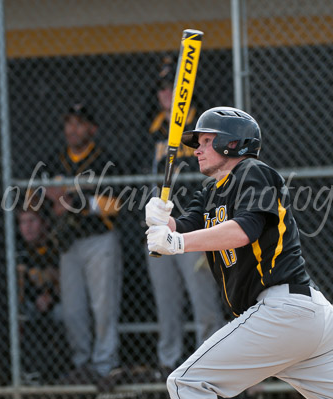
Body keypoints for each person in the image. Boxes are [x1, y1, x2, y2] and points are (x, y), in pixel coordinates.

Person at [145, 107, 333, 398]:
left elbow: (243, 231)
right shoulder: (210, 193)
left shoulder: (254, 172)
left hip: (284, 311)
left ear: (232, 142)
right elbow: (182, 228)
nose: (197, 150)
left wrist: (177, 243)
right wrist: (161, 220)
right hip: (304, 319)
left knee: (186, 382)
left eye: (206, 141)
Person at [146, 57, 224, 379]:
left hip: (194, 228)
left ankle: (212, 364)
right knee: (167, 303)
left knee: (203, 301)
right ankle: (170, 363)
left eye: (171, 88)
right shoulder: (152, 128)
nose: (166, 95)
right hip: (160, 226)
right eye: (162, 89)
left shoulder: (201, 129)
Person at [44, 103, 123, 383]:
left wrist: (77, 202)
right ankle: (82, 364)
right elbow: (38, 196)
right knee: (72, 309)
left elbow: (116, 203)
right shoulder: (55, 160)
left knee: (103, 306)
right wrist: (47, 199)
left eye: (79, 124)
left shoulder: (105, 160)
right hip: (69, 244)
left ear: (93, 129)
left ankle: (104, 365)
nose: (73, 130)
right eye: (69, 123)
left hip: (99, 240)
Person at [15, 196, 67, 383]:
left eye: (32, 221)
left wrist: (50, 297)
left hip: (57, 303)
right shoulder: (18, 250)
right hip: (32, 304)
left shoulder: (57, 246)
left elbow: (65, 282)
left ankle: (65, 368)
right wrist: (37, 297)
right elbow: (22, 286)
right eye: (22, 222)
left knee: (64, 313)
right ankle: (28, 370)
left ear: (44, 223)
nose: (27, 227)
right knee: (22, 313)